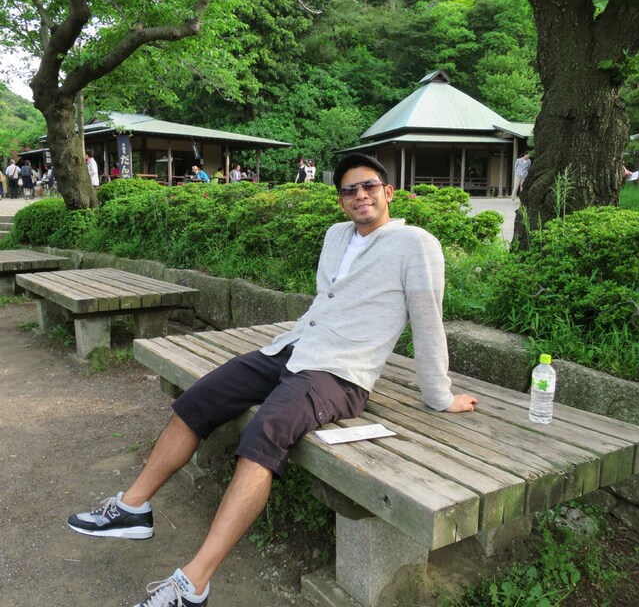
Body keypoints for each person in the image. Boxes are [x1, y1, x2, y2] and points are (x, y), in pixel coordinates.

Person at [66, 152, 477, 607]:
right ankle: (132, 508)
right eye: (349, 189)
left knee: (263, 435)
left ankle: (194, 584)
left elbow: (427, 320)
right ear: (341, 200)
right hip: (292, 348)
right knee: (199, 399)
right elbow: (327, 301)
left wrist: (439, 395)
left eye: (369, 186)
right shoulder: (336, 236)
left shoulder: (415, 244)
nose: (360, 195)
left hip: (340, 373)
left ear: (388, 192)